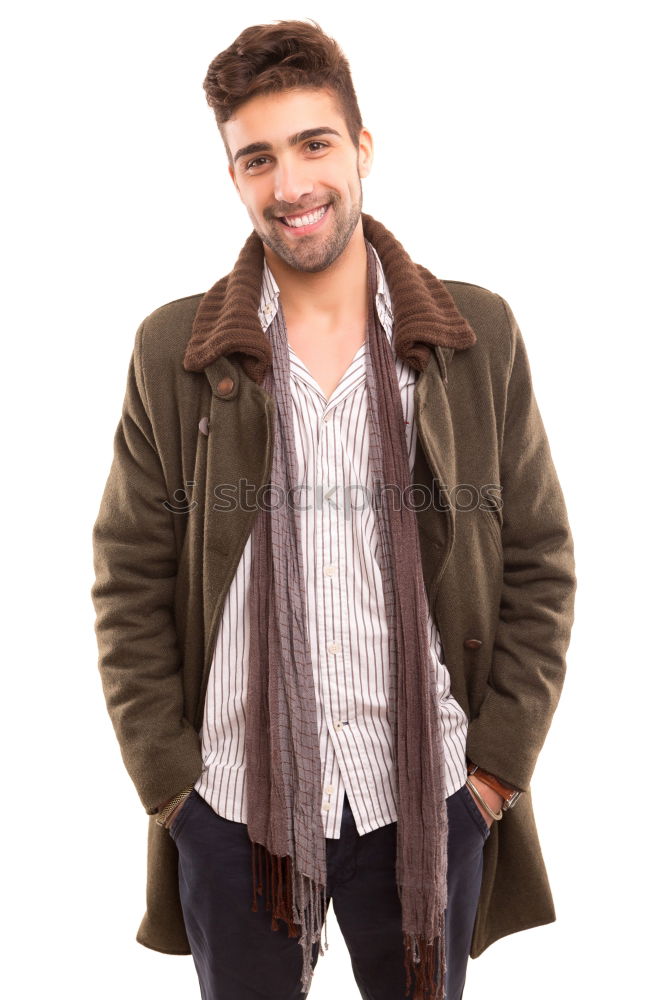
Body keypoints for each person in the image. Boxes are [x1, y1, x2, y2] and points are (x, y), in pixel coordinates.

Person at [90, 18, 576, 1000]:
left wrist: (491, 777)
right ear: (234, 176)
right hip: (235, 813)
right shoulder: (173, 350)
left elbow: (540, 560)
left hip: (429, 800)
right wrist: (175, 789)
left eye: (314, 144)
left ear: (361, 148)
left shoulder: (475, 333)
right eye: (258, 157)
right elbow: (127, 578)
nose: (292, 183)